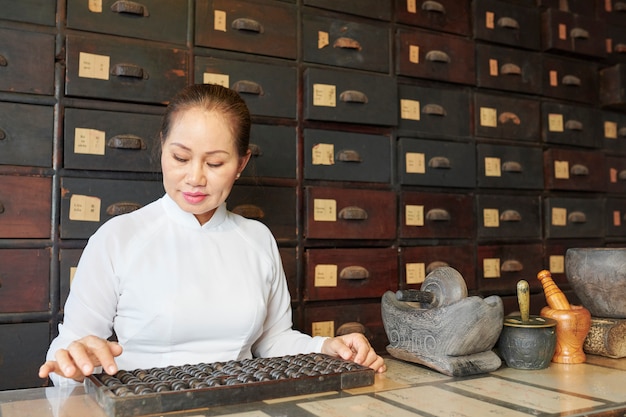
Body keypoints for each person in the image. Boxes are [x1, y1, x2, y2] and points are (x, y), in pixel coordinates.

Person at [39, 84, 385, 386]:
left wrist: (326, 347)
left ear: (241, 163)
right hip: (142, 402)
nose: (195, 177)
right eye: (180, 157)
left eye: (215, 163)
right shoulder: (118, 237)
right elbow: (69, 347)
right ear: (162, 148)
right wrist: (73, 363)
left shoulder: (257, 238)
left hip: (242, 403)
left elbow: (272, 342)